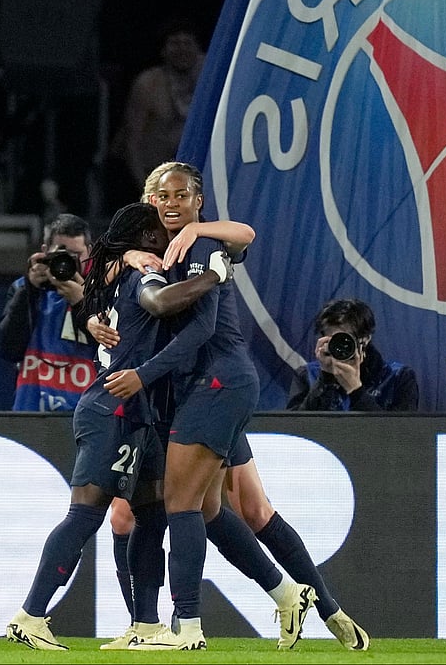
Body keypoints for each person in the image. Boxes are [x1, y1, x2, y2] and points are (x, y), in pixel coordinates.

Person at [91, 161, 370, 651]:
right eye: (162, 196)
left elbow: (241, 240)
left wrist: (200, 231)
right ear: (147, 201)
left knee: (179, 505)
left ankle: (186, 627)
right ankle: (302, 599)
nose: (171, 204)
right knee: (225, 508)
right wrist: (96, 317)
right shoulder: (148, 252)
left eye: (182, 196)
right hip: (193, 389)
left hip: (211, 384)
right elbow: (100, 274)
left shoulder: (200, 244)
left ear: (198, 200)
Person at [5, 202, 226, 651]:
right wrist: (214, 275)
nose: (169, 241)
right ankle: (30, 616)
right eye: (160, 233)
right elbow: (159, 301)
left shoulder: (110, 276)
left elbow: (96, 304)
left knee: (152, 511)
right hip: (115, 407)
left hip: (133, 411)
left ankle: (145, 625)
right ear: (146, 237)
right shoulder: (142, 271)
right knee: (86, 513)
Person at [0, 213, 95, 413]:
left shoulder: (102, 291)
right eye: (60, 253)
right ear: (45, 251)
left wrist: (82, 302)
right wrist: (30, 291)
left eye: (75, 254)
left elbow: (114, 349)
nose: (67, 261)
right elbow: (7, 349)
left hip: (84, 416)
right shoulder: (23, 288)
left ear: (90, 252)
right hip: (31, 413)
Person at [115, 18, 204, 194]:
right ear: (163, 50)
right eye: (175, 43)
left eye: (187, 43)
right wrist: (147, 190)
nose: (182, 49)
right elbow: (132, 141)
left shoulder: (210, 79)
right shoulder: (148, 84)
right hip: (153, 176)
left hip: (196, 179)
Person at [286, 298, 419, 411]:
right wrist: (324, 380)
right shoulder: (307, 375)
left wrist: (356, 390)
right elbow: (295, 432)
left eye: (345, 340)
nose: (340, 347)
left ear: (366, 338)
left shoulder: (398, 377)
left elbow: (400, 436)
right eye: (333, 340)